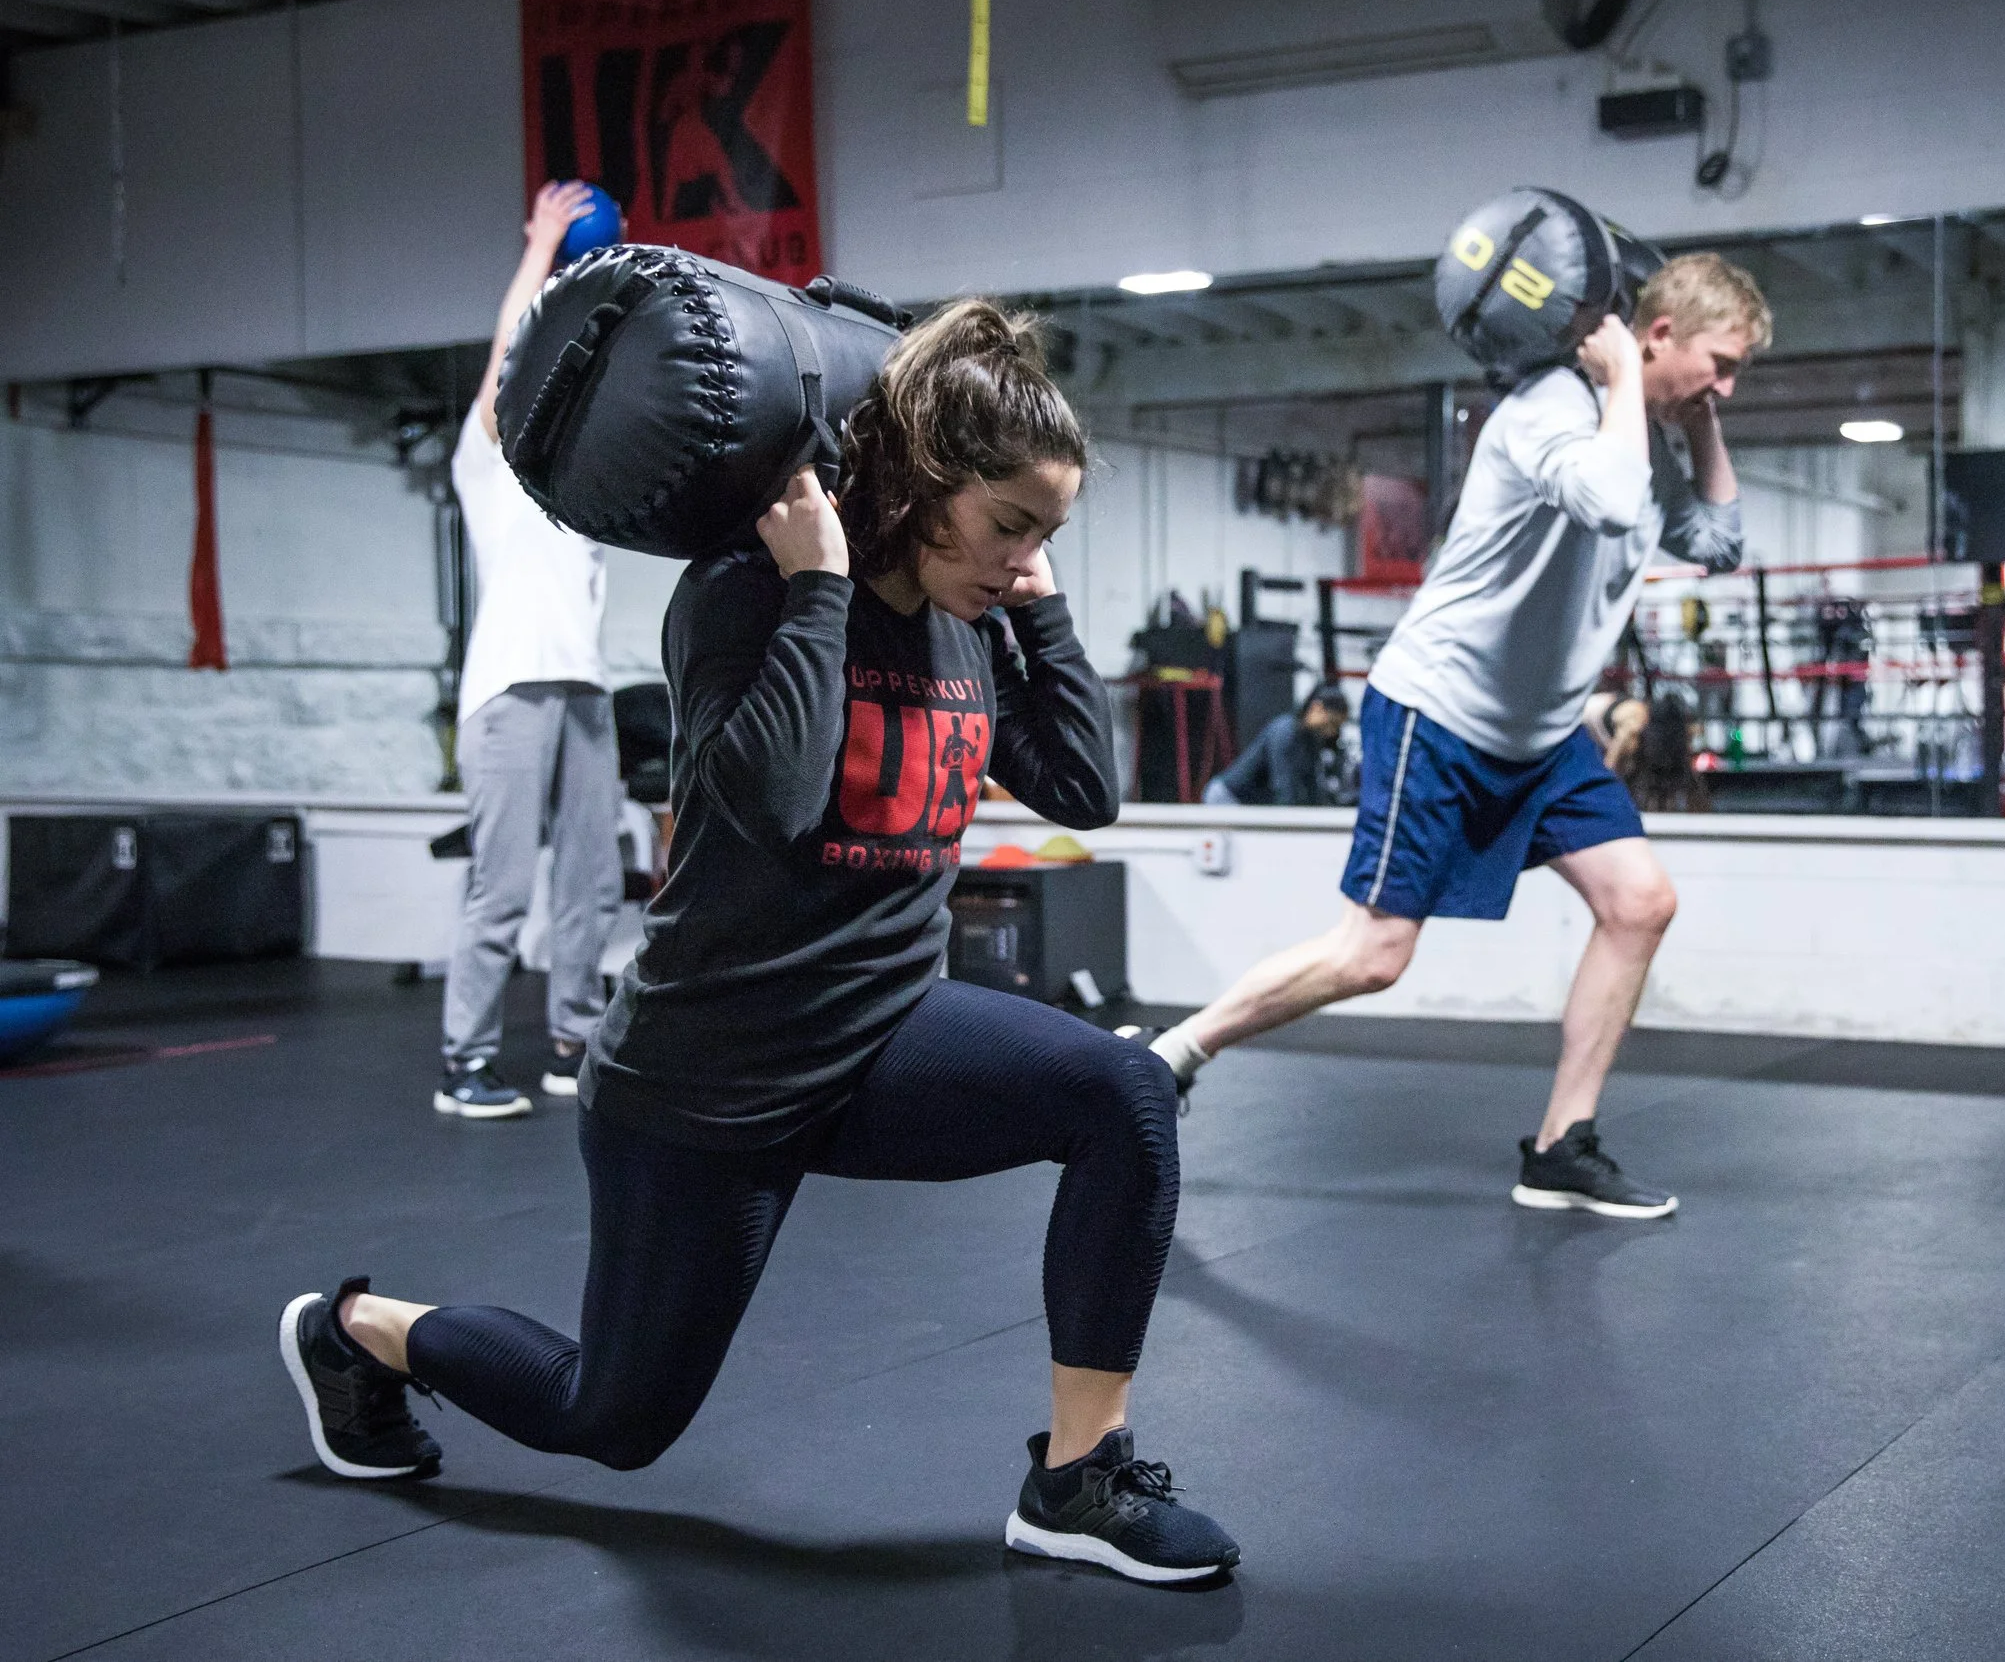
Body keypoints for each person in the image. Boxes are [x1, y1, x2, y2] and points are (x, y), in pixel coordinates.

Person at [280, 302, 1239, 1585]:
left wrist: (1040, 612)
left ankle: (1076, 1479)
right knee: (609, 1419)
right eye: (1011, 525)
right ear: (926, 483)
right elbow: (774, 806)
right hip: (707, 1081)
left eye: (1046, 536)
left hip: (883, 1037)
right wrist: (823, 592)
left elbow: (1079, 785)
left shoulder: (975, 617)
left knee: (1124, 1094)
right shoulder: (744, 594)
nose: (1020, 560)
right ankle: (358, 1331)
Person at [1136, 252, 1771, 1220]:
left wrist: (1699, 417)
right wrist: (1630, 391)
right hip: (1441, 714)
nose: (1723, 385)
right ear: (1656, 335)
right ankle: (1171, 1053)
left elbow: (1718, 544)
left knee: (1639, 902)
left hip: (1544, 734)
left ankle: (1563, 1144)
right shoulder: (1548, 409)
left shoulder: (1640, 430)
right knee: (1374, 954)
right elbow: (1601, 498)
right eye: (1718, 364)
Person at [436, 180, 625, 1119]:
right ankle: (463, 1062)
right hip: (508, 690)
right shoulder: (489, 469)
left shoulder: (578, 496)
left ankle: (573, 1041)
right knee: (501, 888)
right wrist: (544, 249)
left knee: (592, 882)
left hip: (584, 691)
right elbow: (513, 355)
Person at [1203, 683, 1352, 806]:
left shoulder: (1311, 740)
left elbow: (1312, 785)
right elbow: (1282, 785)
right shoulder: (1284, 731)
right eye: (1333, 723)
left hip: (1250, 804)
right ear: (1316, 708)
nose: (1333, 732)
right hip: (1228, 798)